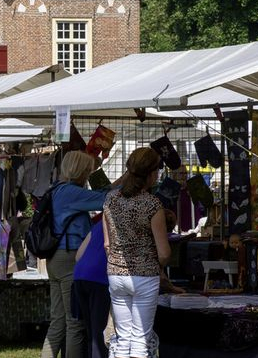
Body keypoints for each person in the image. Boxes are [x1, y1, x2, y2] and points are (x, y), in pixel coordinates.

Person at [103, 148, 171, 358]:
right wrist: (160, 266)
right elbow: (164, 252)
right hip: (145, 276)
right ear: (151, 173)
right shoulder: (152, 204)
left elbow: (107, 245)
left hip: (116, 274)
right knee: (141, 339)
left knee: (122, 339)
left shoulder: (111, 200)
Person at [46, 151, 113, 358]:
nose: (88, 175)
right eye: (87, 171)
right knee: (74, 322)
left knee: (58, 320)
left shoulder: (58, 189)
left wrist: (123, 180)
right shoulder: (72, 192)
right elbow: (105, 199)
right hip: (69, 258)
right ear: (80, 171)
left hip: (55, 257)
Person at [72, 214, 110, 358]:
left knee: (91, 331)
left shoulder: (98, 225)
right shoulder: (122, 225)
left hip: (80, 276)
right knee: (98, 332)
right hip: (99, 278)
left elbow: (78, 256)